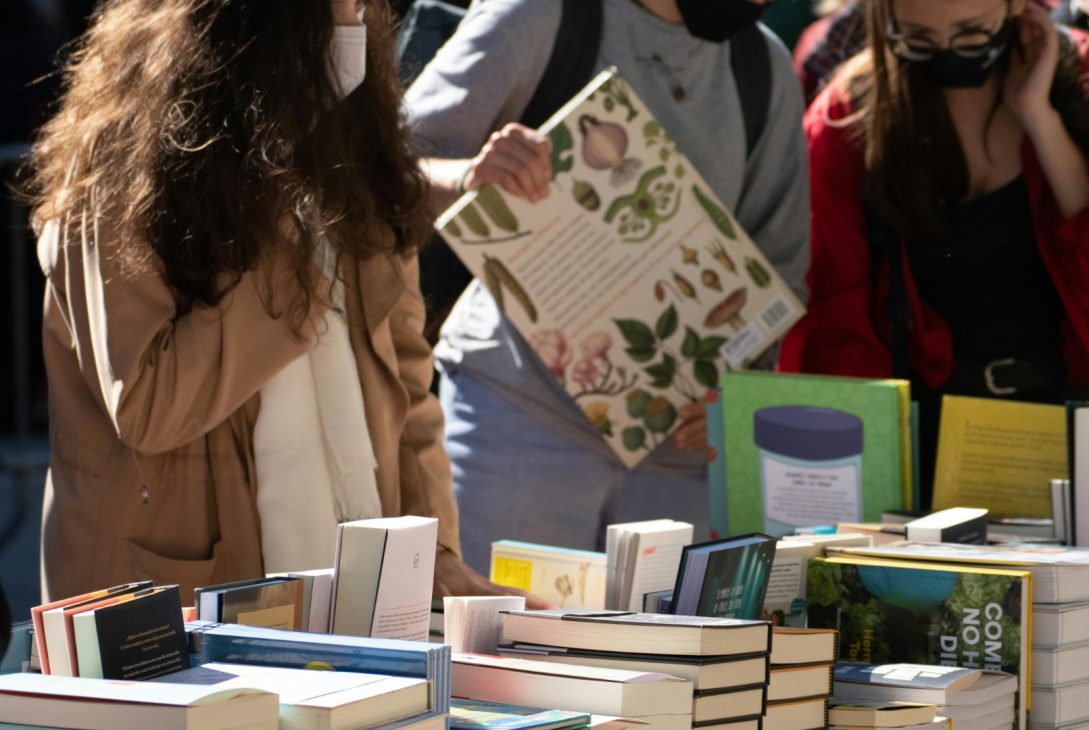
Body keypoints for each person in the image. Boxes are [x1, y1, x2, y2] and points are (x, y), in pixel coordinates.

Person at [28, 0, 533, 605]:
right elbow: (148, 405)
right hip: (168, 609)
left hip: (348, 601)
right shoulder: (118, 163)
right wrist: (282, 217)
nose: (353, 23)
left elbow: (404, 381)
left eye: (360, 6)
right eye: (333, 8)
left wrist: (435, 552)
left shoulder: (350, 149)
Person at [406, 0, 810, 573]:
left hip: (680, 457)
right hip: (517, 424)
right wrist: (471, 175)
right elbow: (378, 171)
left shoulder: (764, 64)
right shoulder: (540, 14)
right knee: (498, 655)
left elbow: (780, 271)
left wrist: (734, 392)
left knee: (669, 663)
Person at [779, 0, 1089, 505]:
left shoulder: (1078, 76)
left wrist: (1040, 116)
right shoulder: (848, 115)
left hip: (1074, 428)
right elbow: (836, 320)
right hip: (929, 449)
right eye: (918, 39)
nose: (948, 54)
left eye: (972, 34)